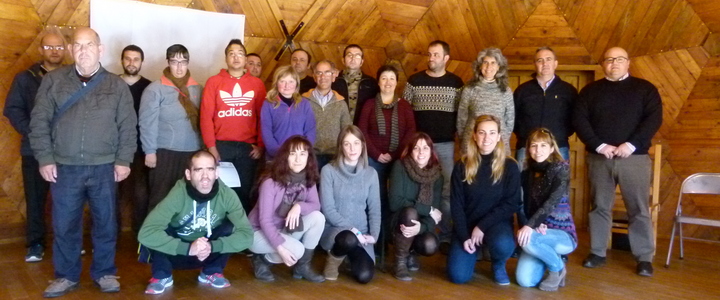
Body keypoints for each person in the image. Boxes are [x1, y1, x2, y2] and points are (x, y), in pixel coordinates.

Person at [29, 27, 137, 297]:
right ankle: (65, 276)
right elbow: (39, 122)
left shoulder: (116, 85)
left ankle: (105, 272)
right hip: (64, 167)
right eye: (77, 45)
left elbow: (127, 126)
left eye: (89, 45)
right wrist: (45, 158)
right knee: (64, 224)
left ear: (100, 49)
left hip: (104, 167)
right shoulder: (53, 81)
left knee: (106, 223)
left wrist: (124, 160)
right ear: (70, 50)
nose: (83, 50)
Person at [574, 47, 662, 277]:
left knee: (639, 209)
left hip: (634, 158)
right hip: (599, 158)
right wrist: (600, 145)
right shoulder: (590, 91)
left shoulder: (645, 89)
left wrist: (630, 145)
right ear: (603, 64)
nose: (614, 63)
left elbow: (653, 119)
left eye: (619, 59)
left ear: (628, 63)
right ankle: (597, 252)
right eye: (610, 60)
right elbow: (579, 119)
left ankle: (644, 258)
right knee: (600, 207)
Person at [138, 150, 254, 294]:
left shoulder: (227, 195)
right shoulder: (177, 194)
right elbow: (146, 234)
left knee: (229, 226)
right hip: (177, 252)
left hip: (208, 252)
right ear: (188, 174)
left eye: (210, 169)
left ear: (216, 173)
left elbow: (247, 235)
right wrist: (188, 248)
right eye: (198, 169)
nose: (205, 176)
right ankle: (162, 275)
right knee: (159, 227)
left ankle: (212, 272)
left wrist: (212, 246)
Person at [3, 32, 65, 262]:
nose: (54, 51)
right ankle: (36, 244)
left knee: (66, 200)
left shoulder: (73, 76)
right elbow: (12, 109)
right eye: (49, 47)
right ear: (41, 50)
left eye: (59, 47)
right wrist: (33, 131)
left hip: (66, 150)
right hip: (34, 150)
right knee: (35, 199)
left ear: (65, 50)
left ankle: (65, 241)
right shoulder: (25, 78)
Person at [403, 40, 464, 247]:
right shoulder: (414, 81)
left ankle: (445, 235)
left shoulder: (456, 83)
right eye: (429, 54)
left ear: (446, 58)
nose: (431, 58)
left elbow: (461, 115)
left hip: (446, 145)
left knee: (446, 191)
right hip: (418, 148)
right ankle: (415, 233)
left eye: (436, 55)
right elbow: (404, 111)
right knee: (415, 189)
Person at [447, 115, 521, 285]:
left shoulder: (510, 166)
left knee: (503, 245)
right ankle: (475, 249)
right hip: (467, 225)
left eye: (492, 133)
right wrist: (465, 236)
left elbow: (511, 203)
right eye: (482, 132)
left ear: (499, 136)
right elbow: (456, 205)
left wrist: (481, 227)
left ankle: (498, 263)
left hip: (496, 224)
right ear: (474, 135)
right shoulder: (461, 166)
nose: (486, 138)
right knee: (458, 277)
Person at [201, 39, 267, 213]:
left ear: (245, 59)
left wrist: (261, 145)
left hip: (248, 148)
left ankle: (241, 233)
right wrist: (211, 147)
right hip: (222, 147)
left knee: (245, 192)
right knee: (219, 192)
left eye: (240, 53)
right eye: (232, 53)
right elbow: (206, 117)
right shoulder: (214, 82)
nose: (236, 57)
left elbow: (263, 117)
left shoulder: (257, 84)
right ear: (226, 58)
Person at [248, 136, 326, 283]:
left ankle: (302, 267)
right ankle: (262, 260)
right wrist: (281, 249)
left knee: (318, 217)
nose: (298, 159)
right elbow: (264, 221)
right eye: (293, 154)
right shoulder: (270, 182)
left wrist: (298, 206)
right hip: (257, 232)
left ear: (308, 157)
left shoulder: (308, 179)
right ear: (285, 157)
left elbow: (316, 205)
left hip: (283, 228)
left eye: (302, 154)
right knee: (297, 250)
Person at [139, 44, 203, 211]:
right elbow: (147, 123)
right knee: (160, 199)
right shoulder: (155, 89)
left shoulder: (198, 89)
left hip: (192, 152)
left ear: (188, 62)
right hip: (165, 153)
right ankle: (153, 236)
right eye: (174, 62)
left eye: (183, 62)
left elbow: (205, 121)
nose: (179, 67)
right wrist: (150, 151)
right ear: (168, 62)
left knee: (188, 199)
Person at [515, 128, 577, 291]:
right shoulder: (527, 173)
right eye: (534, 146)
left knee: (528, 239)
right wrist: (533, 224)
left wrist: (531, 225)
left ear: (551, 148)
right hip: (538, 232)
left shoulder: (561, 168)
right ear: (528, 149)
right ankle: (551, 259)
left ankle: (557, 268)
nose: (538, 150)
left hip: (563, 234)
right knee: (525, 281)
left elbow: (552, 202)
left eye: (543, 145)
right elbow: (524, 206)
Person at [358, 64, 415, 234]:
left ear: (397, 82)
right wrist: (377, 154)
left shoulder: (404, 105)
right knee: (376, 198)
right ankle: (377, 234)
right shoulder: (369, 104)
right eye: (384, 78)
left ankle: (394, 234)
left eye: (391, 78)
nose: (388, 82)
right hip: (374, 158)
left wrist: (395, 154)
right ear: (378, 82)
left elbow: (410, 131)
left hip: (399, 159)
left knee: (396, 197)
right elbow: (362, 131)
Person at [320, 125, 381, 284]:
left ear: (362, 145)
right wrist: (353, 230)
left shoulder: (371, 173)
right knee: (348, 238)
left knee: (364, 277)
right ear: (341, 147)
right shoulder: (328, 171)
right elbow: (328, 210)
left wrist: (373, 235)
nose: (352, 148)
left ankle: (347, 257)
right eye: (347, 144)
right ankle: (333, 260)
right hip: (335, 231)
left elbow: (375, 209)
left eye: (356, 143)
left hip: (361, 234)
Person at [389, 132, 443, 281]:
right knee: (410, 213)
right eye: (416, 148)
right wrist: (428, 209)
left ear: (431, 151)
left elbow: (436, 213)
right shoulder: (400, 166)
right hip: (399, 222)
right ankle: (400, 261)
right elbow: (395, 202)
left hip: (421, 224)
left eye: (425, 148)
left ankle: (412, 252)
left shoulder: (437, 175)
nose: (421, 153)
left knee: (430, 245)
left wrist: (422, 227)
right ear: (410, 150)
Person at [513, 47, 576, 162]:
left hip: (558, 147)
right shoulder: (522, 90)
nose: (544, 63)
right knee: (523, 180)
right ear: (535, 64)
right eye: (540, 60)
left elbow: (575, 118)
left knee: (558, 179)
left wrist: (560, 134)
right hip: (526, 147)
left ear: (555, 63)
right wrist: (524, 135)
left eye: (548, 59)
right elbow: (513, 118)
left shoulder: (568, 90)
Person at [118, 44, 152, 232]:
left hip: (140, 150)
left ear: (142, 62)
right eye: (128, 58)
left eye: (136, 59)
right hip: (113, 150)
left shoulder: (150, 87)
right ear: (122, 60)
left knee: (141, 194)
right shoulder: (110, 83)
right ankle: (110, 236)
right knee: (111, 196)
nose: (131, 63)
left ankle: (141, 236)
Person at [457, 47, 514, 154]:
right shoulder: (469, 89)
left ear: (499, 67)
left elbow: (509, 120)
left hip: (499, 144)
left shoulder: (505, 90)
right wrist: (465, 140)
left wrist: (500, 137)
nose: (489, 67)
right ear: (479, 66)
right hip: (472, 144)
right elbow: (462, 119)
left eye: (493, 63)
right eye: (485, 62)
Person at [302, 59, 351, 170]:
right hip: (310, 155)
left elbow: (346, 130)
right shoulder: (303, 101)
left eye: (327, 72)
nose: (323, 76)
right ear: (314, 77)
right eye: (319, 73)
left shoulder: (341, 103)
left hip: (334, 156)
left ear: (333, 76)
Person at [261, 65, 316, 161]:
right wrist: (279, 153)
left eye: (291, 81)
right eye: (282, 81)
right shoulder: (268, 104)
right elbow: (266, 132)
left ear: (296, 83)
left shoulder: (304, 104)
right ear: (276, 83)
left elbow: (310, 130)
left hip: (299, 159)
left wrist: (303, 152)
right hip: (276, 158)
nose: (287, 85)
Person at [331, 44, 379, 124]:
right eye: (349, 55)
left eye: (357, 56)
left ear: (362, 61)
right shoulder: (334, 80)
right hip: (337, 126)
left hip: (361, 128)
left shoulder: (371, 82)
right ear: (343, 60)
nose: (353, 59)